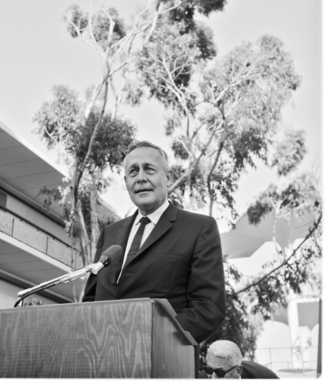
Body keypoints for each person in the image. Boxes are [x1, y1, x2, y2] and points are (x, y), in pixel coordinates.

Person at [83, 140, 226, 344]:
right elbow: (90, 299)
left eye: (149, 169)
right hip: (101, 358)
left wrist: (150, 336)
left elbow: (209, 308)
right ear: (126, 182)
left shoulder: (199, 228)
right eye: (133, 172)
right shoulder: (109, 234)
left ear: (167, 177)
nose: (140, 178)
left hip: (163, 360)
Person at [200, 340, 279, 379]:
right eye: (209, 370)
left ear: (238, 371)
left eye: (220, 373)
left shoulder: (265, 378)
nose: (213, 379)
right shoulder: (199, 379)